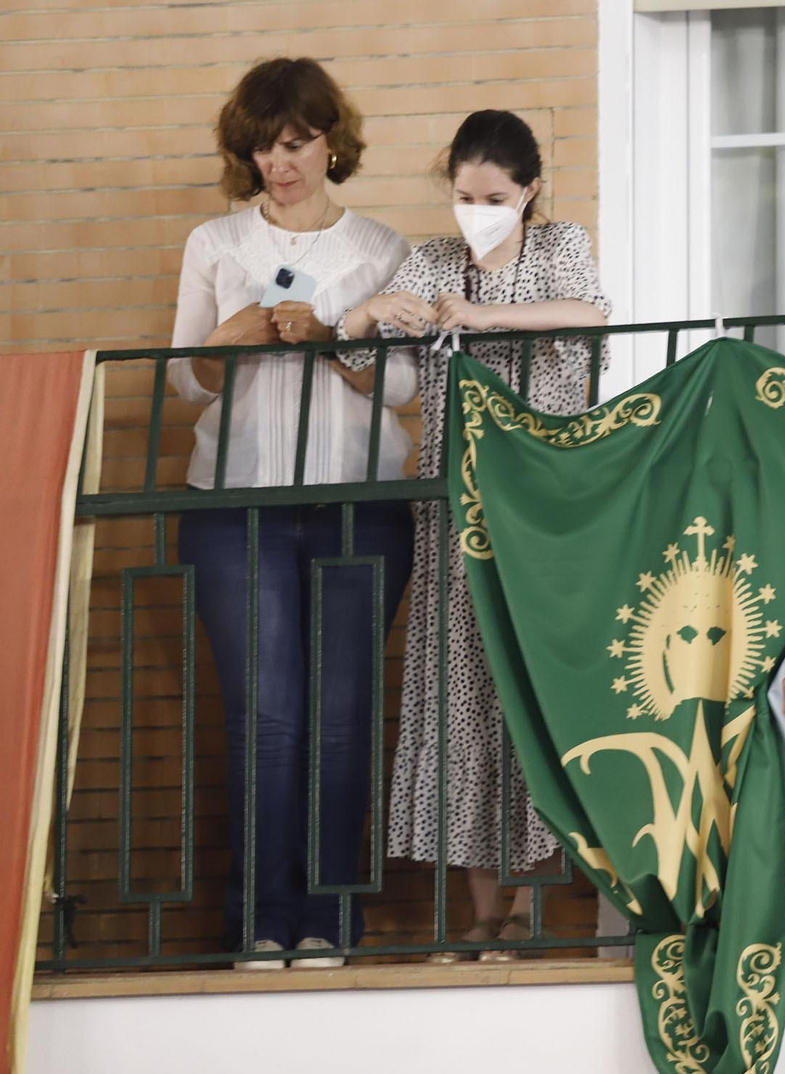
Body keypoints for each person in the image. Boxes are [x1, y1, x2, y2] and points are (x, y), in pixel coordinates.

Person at [341, 109, 611, 962]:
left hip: (546, 505)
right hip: (456, 509)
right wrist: (367, 313)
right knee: (459, 696)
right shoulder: (430, 261)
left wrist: (486, 317)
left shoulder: (559, 245)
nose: (477, 212)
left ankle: (529, 907)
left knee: (534, 692)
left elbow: (591, 315)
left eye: (494, 198)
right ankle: (483, 913)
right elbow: (364, 369)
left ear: (529, 191)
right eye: (464, 196)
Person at [169, 58, 415, 969]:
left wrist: (332, 339)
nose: (280, 163)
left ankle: (328, 919)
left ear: (330, 142)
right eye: (264, 148)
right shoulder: (214, 243)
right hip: (235, 508)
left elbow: (405, 385)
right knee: (264, 719)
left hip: (359, 505)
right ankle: (260, 920)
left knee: (342, 720)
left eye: (297, 143)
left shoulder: (382, 247)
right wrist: (226, 341)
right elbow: (183, 382)